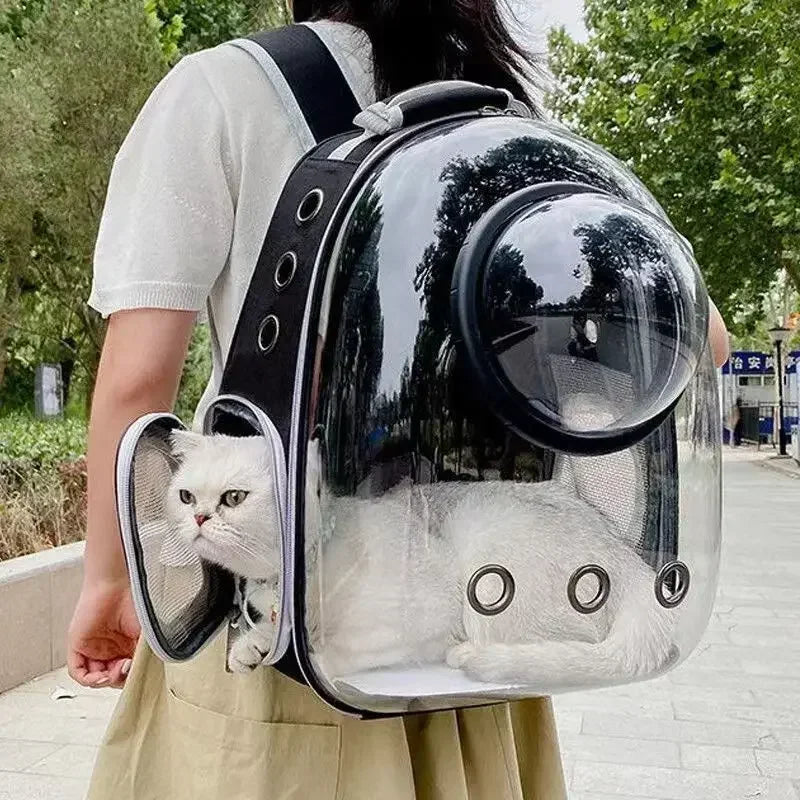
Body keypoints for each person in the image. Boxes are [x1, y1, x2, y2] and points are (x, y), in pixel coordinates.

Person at [67, 3, 732, 797]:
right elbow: (704, 337)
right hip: (473, 619)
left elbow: (138, 380)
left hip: (280, 633)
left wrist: (109, 585)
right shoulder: (508, 119)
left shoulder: (221, 88)